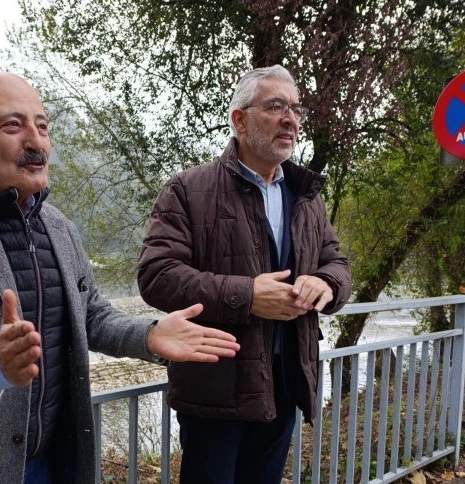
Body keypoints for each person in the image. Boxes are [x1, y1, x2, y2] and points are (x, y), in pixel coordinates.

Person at [0, 72, 241, 484]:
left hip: (55, 461)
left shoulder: (59, 227)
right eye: (13, 125)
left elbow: (91, 315)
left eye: (42, 127)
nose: (36, 141)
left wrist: (147, 335)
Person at [137, 65, 352, 484]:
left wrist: (325, 283)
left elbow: (337, 263)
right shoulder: (186, 189)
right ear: (239, 119)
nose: (290, 118)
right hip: (215, 391)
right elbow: (156, 275)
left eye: (295, 109)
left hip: (286, 382)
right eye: (275, 106)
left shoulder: (306, 197)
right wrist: (247, 295)